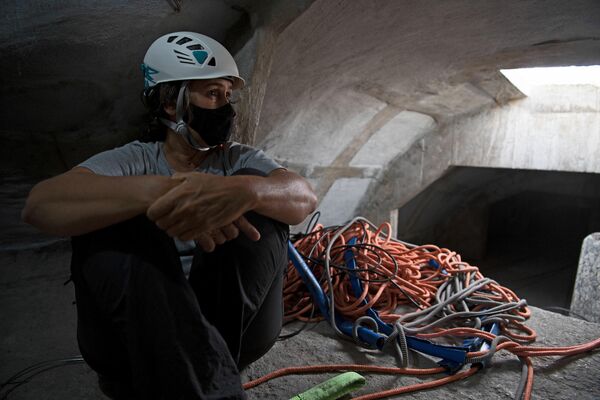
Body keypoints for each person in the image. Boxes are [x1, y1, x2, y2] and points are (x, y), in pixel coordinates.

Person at [21, 31, 317, 399]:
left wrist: (243, 192)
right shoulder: (133, 159)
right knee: (107, 216)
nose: (225, 106)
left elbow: (303, 198)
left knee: (261, 202)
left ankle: (200, 369)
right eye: (212, 94)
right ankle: (207, 381)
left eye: (228, 95)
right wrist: (160, 191)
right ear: (170, 103)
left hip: (230, 325)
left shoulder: (239, 159)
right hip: (138, 328)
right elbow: (40, 205)